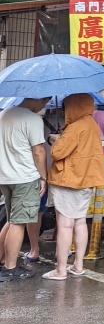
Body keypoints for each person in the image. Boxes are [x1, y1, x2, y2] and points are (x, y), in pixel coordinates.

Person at [43, 93, 104, 281]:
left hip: (68, 180)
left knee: (64, 224)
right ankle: (78, 265)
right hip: (87, 180)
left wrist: (56, 140)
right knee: (80, 222)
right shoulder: (92, 124)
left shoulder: (75, 127)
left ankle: (60, 270)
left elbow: (58, 153)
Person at [0, 97, 49, 282]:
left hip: (5, 176)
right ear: (36, 99)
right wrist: (43, 177)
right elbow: (39, 151)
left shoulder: (4, 113)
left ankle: (3, 260)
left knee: (12, 219)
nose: (43, 106)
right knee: (19, 222)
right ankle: (11, 268)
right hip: (25, 177)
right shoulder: (33, 119)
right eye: (44, 102)